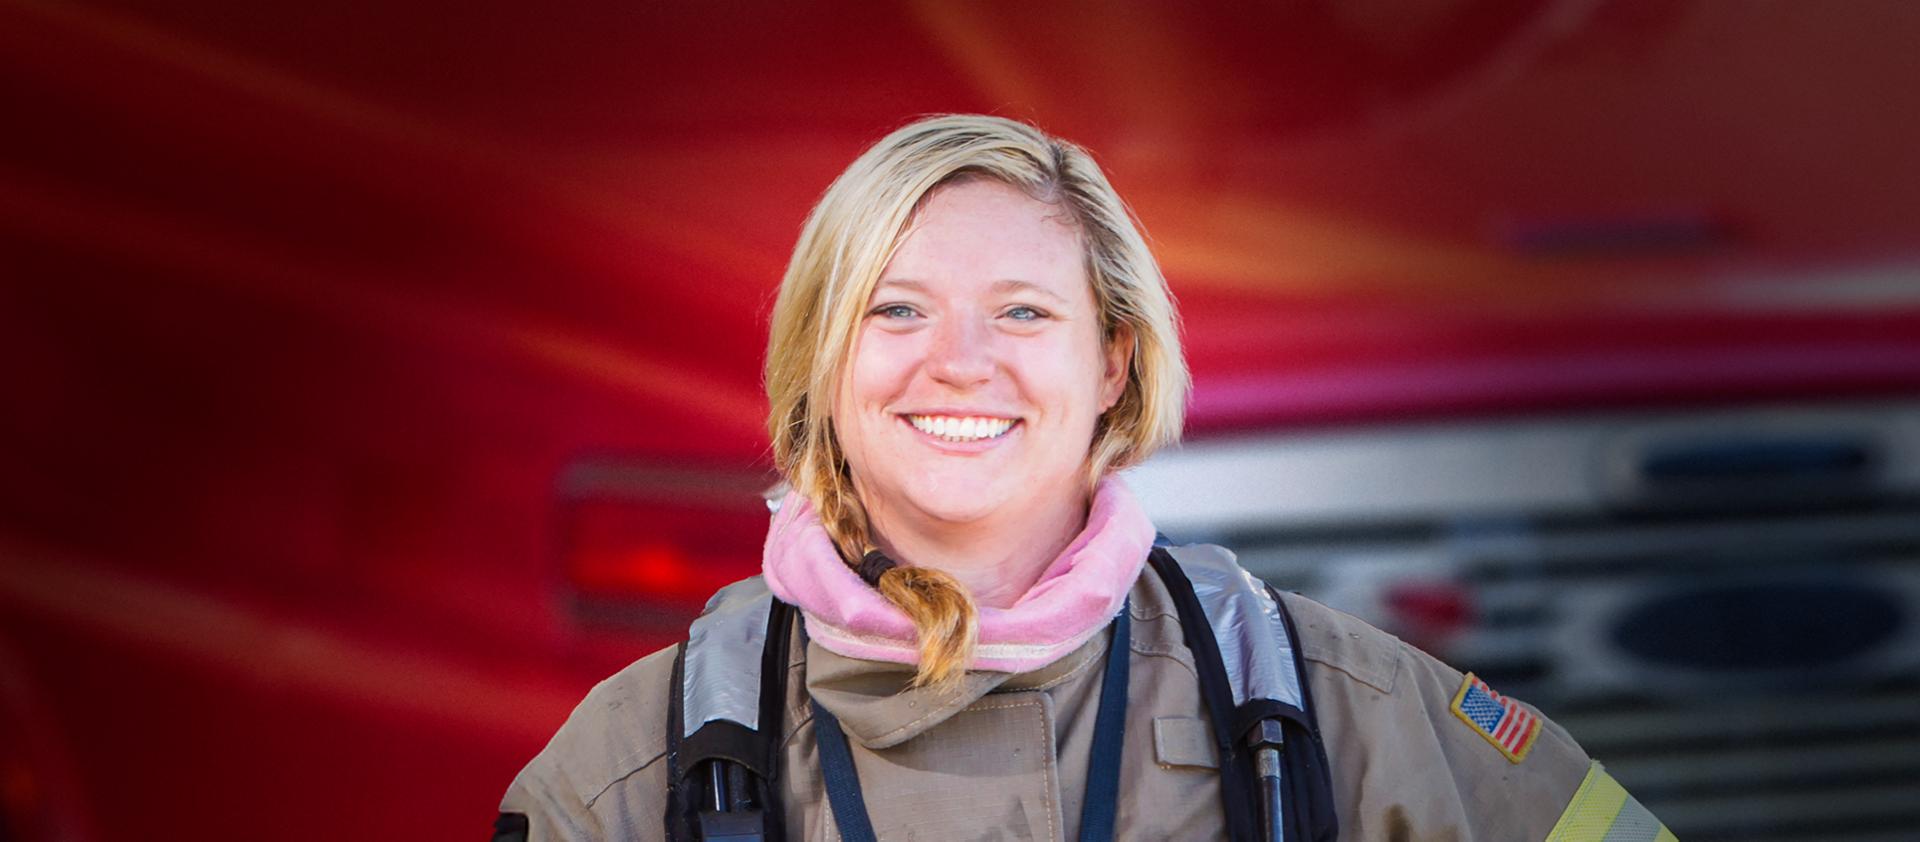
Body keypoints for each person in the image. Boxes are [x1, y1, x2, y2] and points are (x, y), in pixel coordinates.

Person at [496, 114, 1672, 841]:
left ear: (1111, 359)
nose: (961, 359)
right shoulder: (629, 767)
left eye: (1022, 309)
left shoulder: (1327, 706)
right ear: (819, 357)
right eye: (896, 308)